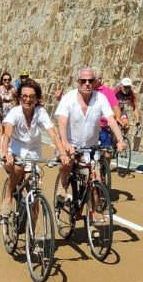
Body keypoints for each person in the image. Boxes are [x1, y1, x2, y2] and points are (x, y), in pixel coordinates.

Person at [0, 79, 67, 218]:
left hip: (33, 154)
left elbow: (53, 133)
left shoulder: (40, 112)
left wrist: (62, 152)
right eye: (24, 96)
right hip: (15, 151)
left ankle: (33, 235)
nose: (27, 99)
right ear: (19, 97)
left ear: (37, 98)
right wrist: (6, 153)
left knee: (34, 192)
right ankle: (9, 196)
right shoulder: (15, 112)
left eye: (31, 97)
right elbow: (7, 135)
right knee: (18, 169)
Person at [54, 66, 126, 197]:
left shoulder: (101, 98)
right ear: (78, 81)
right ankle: (63, 184)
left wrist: (120, 140)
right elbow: (62, 121)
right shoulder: (68, 98)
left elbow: (111, 119)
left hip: (90, 148)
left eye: (90, 80)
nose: (87, 84)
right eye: (83, 80)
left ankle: (92, 211)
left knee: (95, 181)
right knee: (67, 161)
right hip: (70, 144)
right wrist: (64, 142)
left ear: (94, 82)